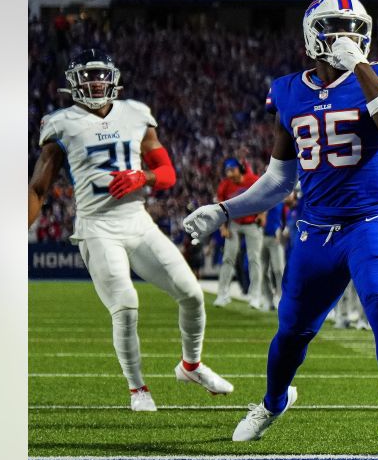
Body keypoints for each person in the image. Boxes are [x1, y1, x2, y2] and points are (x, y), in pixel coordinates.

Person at [183, 0, 378, 458]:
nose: (347, 36)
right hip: (314, 231)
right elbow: (278, 178)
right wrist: (226, 209)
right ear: (313, 33)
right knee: (291, 332)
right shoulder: (288, 90)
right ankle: (273, 402)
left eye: (355, 28)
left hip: (371, 222)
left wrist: (361, 68)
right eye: (336, 27)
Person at [29, 49, 233, 411]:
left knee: (192, 294)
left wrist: (144, 176)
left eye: (101, 75)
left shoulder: (136, 114)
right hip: (97, 227)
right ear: (73, 83)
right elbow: (38, 190)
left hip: (138, 221)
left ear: (113, 79)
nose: (96, 82)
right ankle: (138, 388)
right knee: (126, 304)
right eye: (88, 76)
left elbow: (168, 173)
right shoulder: (61, 122)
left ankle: (191, 365)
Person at [214, 158, 266, 309]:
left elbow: (265, 197)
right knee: (228, 258)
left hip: (251, 223)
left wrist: (262, 214)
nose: (229, 173)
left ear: (240, 169)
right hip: (234, 223)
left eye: (232, 170)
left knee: (254, 259)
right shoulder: (224, 186)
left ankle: (255, 296)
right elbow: (220, 209)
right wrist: (223, 227)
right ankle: (222, 294)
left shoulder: (253, 180)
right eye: (227, 170)